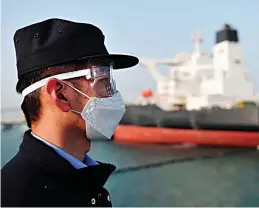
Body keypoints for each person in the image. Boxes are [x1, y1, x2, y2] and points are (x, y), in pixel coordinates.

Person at [1, 18, 139, 207]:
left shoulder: (87, 183)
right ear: (60, 94)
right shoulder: (13, 198)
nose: (113, 94)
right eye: (103, 80)